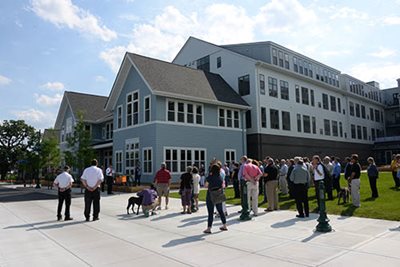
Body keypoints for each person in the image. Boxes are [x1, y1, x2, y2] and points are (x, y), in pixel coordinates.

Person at [203, 164, 227, 234]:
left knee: (210, 212)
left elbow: (205, 186)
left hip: (210, 194)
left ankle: (209, 228)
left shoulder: (210, 177)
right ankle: (224, 225)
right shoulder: (220, 177)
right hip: (219, 193)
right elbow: (222, 185)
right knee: (220, 210)